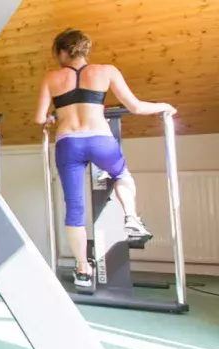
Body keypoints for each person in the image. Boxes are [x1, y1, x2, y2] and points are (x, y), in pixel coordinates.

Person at [34, 29, 176, 289]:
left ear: (63, 52)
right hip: (100, 140)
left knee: (75, 209)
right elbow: (136, 107)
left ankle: (83, 271)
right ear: (84, 50)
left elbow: (39, 118)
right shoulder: (106, 71)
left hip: (68, 143)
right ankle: (131, 216)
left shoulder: (51, 77)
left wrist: (54, 116)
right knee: (122, 175)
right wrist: (164, 106)